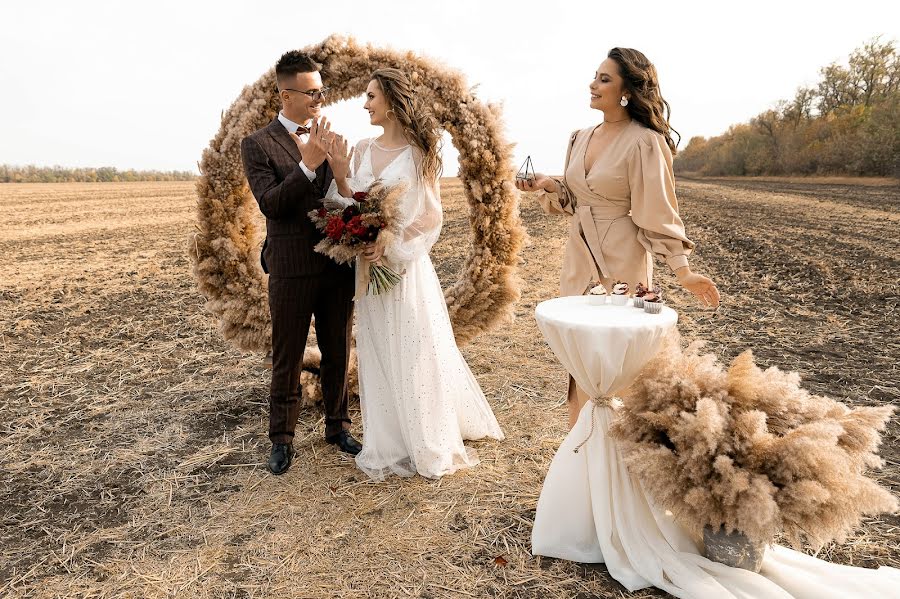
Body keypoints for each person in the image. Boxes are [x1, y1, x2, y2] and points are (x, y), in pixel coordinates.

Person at [516, 47, 720, 429]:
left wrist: (683, 270)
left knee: (619, 356)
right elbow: (578, 197)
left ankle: (623, 455)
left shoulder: (644, 142)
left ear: (627, 91)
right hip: (580, 253)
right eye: (595, 76)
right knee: (580, 352)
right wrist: (547, 184)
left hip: (623, 255)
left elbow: (658, 212)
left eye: (604, 79)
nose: (593, 84)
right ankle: (582, 449)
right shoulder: (579, 137)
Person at [325, 68, 504, 480]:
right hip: (369, 269)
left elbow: (430, 215)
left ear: (391, 99)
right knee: (378, 347)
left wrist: (391, 241)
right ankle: (389, 439)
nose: (365, 103)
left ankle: (426, 438)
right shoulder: (362, 149)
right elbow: (348, 202)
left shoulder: (419, 152)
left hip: (404, 265)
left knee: (413, 344)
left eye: (371, 96)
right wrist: (341, 179)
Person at [240, 50, 361, 475]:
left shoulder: (330, 139)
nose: (319, 100)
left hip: (335, 268)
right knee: (287, 355)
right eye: (311, 93)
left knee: (337, 348)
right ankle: (282, 439)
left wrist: (340, 172)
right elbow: (271, 205)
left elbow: (342, 205)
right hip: (290, 268)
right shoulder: (256, 144)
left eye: (322, 91)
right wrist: (308, 167)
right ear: (284, 94)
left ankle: (338, 426)